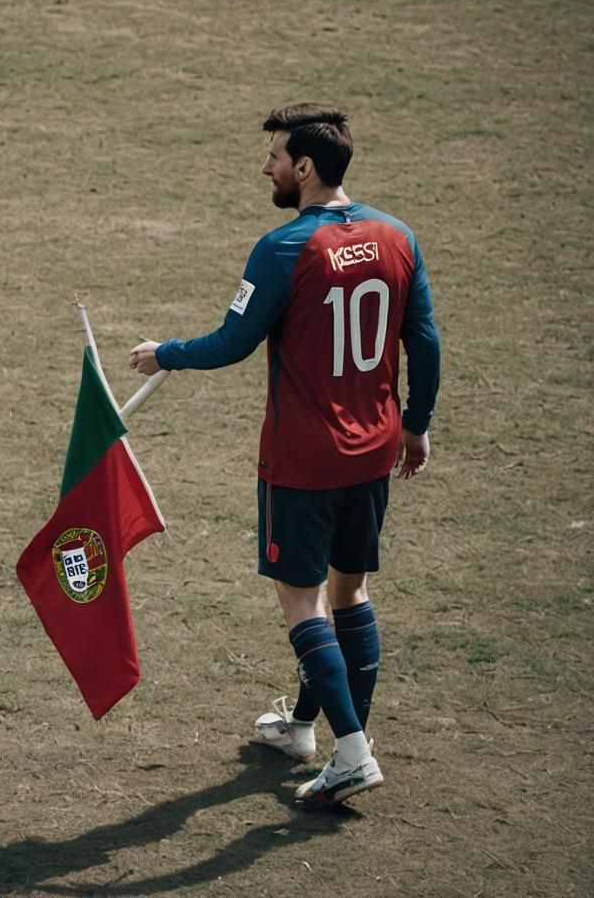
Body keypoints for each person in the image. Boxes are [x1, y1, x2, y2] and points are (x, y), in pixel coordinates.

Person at [129, 103, 440, 806]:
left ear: (305, 168)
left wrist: (164, 355)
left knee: (302, 604)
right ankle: (305, 729)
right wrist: (415, 427)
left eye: (274, 156)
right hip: (373, 451)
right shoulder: (398, 237)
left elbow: (233, 341)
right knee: (349, 592)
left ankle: (353, 753)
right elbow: (424, 341)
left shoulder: (282, 248)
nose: (266, 166)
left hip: (302, 461)